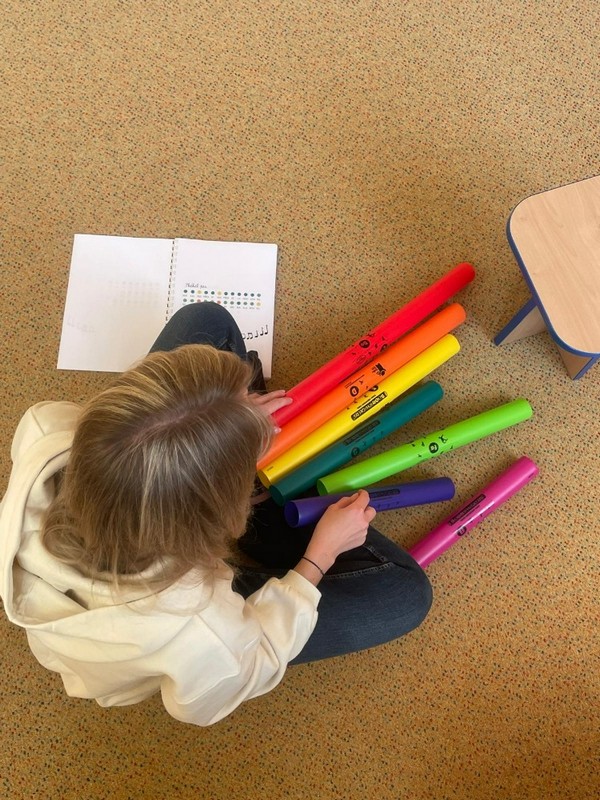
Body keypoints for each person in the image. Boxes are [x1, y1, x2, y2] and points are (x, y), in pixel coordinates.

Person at [0, 303, 432, 726]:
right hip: (177, 612)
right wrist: (318, 558)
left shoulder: (47, 427)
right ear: (217, 518)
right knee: (406, 594)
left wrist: (224, 422)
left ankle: (227, 456)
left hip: (162, 532)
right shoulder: (198, 627)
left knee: (206, 321)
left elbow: (143, 449)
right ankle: (270, 520)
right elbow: (229, 683)